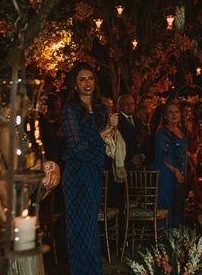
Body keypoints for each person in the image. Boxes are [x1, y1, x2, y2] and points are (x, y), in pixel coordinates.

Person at [61, 62, 118, 275]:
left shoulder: (102, 108)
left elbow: (104, 145)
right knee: (79, 229)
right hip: (76, 174)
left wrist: (112, 129)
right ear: (75, 85)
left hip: (94, 173)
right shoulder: (71, 109)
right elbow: (75, 148)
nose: (87, 83)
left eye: (91, 78)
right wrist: (103, 133)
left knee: (91, 229)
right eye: (82, 79)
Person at [153, 100, 187, 228]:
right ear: (165, 115)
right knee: (168, 206)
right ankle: (165, 240)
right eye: (170, 112)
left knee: (178, 206)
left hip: (180, 173)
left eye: (176, 112)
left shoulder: (181, 130)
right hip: (168, 174)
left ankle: (177, 238)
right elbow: (164, 155)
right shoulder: (163, 132)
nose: (174, 115)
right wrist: (175, 171)